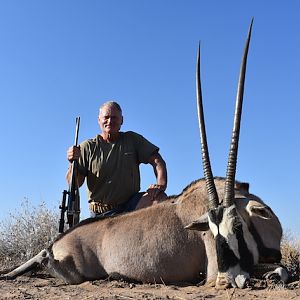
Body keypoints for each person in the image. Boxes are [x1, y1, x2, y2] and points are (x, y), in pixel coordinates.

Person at [66, 101, 167, 217]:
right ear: (99, 120)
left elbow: (157, 161)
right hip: (100, 212)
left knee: (160, 198)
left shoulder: (132, 140)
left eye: (114, 117)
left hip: (130, 205)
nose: (110, 121)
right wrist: (72, 164)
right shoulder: (87, 147)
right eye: (106, 117)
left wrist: (160, 186)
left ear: (122, 120)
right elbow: (75, 184)